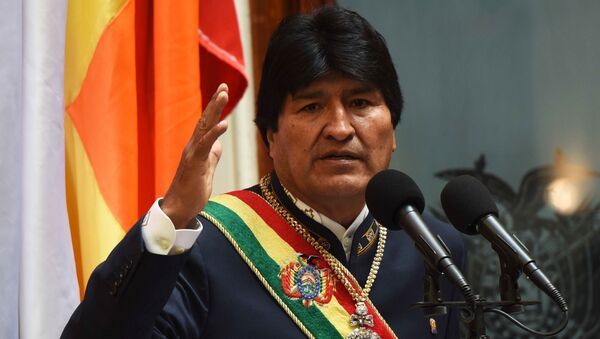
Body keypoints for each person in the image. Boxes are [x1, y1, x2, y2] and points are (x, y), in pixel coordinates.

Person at [62, 6, 465, 339]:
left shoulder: (434, 249)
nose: (340, 128)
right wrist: (171, 217)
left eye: (360, 103)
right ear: (269, 136)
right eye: (311, 107)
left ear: (392, 128)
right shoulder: (206, 248)